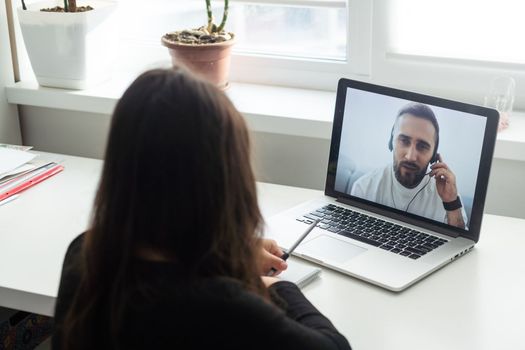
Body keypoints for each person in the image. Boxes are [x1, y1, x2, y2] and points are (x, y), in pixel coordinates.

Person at [52, 68, 351, 350]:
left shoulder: (84, 256)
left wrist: (230, 254)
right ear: (221, 185)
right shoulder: (224, 306)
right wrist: (273, 286)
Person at [350, 103, 467, 229]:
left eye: (422, 146)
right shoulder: (363, 188)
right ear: (391, 142)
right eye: (404, 141)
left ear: (434, 156)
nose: (411, 156)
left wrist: (451, 203)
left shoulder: (448, 195)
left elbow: (459, 242)